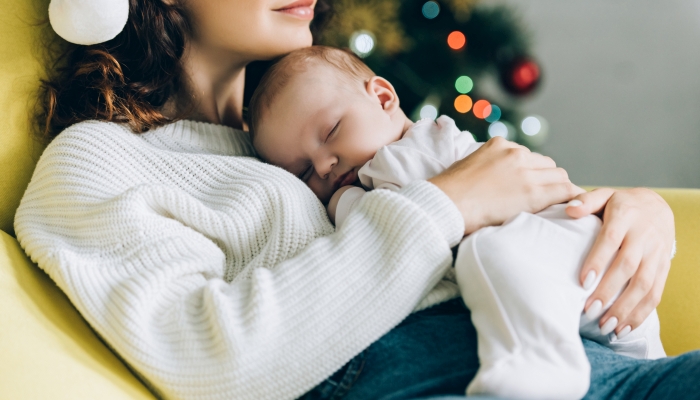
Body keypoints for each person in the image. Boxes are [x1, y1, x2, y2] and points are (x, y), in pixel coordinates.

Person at [15, 0, 696, 399]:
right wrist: (443, 206)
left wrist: (635, 214)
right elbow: (213, 364)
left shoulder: (312, 128)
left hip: (590, 359)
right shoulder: (98, 159)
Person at [249, 45, 666, 399]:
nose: (324, 165)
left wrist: (344, 201)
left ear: (382, 97)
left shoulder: (417, 147)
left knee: (490, 251)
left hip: (581, 259)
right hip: (570, 293)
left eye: (331, 131)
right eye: (302, 171)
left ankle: (540, 369)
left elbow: (401, 222)